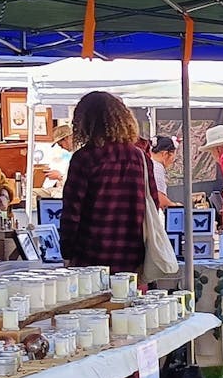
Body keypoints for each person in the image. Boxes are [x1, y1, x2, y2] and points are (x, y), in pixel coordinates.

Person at [59, 92, 153, 273]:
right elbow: (151, 203)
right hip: (133, 255)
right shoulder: (140, 157)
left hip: (90, 258)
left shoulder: (85, 158)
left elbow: (71, 212)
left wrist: (67, 252)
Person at [39, 124, 76, 192]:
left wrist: (59, 176)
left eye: (60, 144)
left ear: (66, 138)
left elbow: (75, 181)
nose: (61, 147)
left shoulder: (79, 155)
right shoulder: (74, 154)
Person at [151, 135, 179, 208]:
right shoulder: (157, 168)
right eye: (173, 158)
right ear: (165, 154)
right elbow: (160, 199)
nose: (172, 161)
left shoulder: (149, 163)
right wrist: (175, 205)